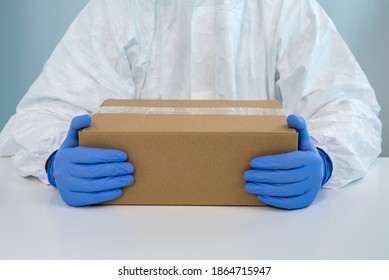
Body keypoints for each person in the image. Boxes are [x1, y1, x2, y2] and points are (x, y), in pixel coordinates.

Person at [0, 0, 382, 209]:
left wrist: (327, 160)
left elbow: (350, 107)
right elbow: (38, 115)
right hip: (131, 220)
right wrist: (53, 160)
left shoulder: (285, 7)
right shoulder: (114, 10)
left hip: (255, 215)